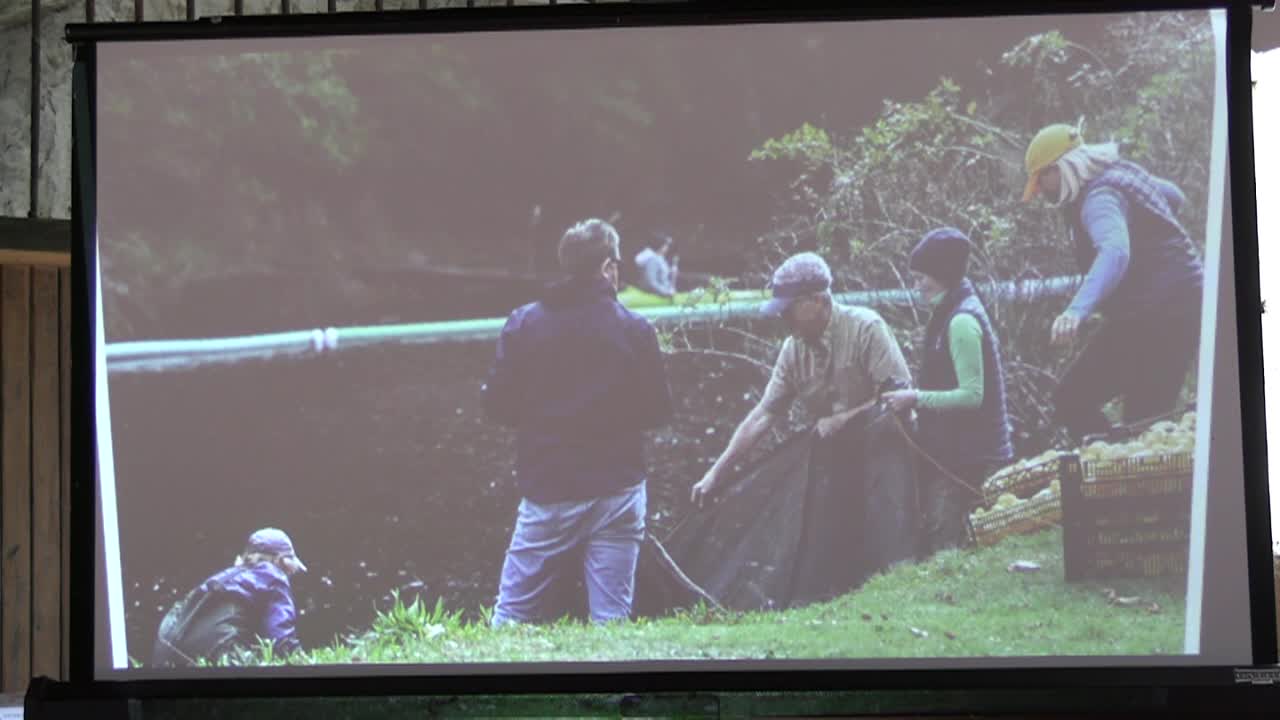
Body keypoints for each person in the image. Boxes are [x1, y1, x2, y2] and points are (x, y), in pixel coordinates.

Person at [482, 218, 673, 626]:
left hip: (549, 485)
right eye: (617, 263)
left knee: (512, 611)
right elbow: (659, 411)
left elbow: (496, 406)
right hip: (618, 488)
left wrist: (542, 418)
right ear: (607, 267)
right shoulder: (635, 329)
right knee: (611, 616)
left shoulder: (524, 322)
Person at [1021, 122, 1204, 441]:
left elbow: (1115, 251)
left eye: (1041, 180)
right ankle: (1113, 456)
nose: (1039, 191)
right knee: (1073, 400)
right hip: (1157, 312)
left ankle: (1120, 462)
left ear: (1062, 168)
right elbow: (1173, 196)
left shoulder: (1099, 198)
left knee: (1142, 425)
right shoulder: (1122, 173)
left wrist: (1075, 311)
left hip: (1165, 318)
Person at [691, 252, 912, 507]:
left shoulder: (867, 328)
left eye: (789, 309)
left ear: (816, 300)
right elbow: (764, 414)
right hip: (837, 468)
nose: (783, 317)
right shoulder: (792, 350)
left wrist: (844, 419)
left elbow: (899, 399)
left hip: (887, 460)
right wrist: (717, 473)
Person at [882, 228, 1014, 554]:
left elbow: (972, 396)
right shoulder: (950, 311)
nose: (917, 286)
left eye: (921, 278)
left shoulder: (961, 321)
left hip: (973, 459)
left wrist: (915, 398)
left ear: (942, 274)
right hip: (957, 454)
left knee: (951, 545)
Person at [152, 528, 306, 667]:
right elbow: (280, 635)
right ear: (279, 560)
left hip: (171, 647)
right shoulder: (273, 576)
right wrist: (302, 661)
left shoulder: (229, 576)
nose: (292, 572)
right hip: (219, 646)